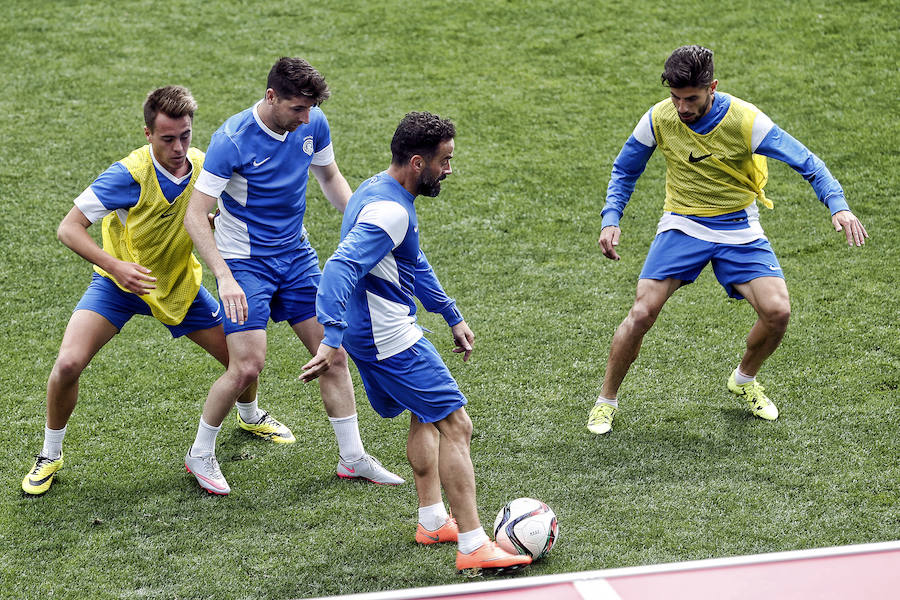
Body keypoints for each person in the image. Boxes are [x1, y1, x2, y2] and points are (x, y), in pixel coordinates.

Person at [21, 86, 291, 497]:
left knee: (243, 361)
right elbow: (68, 228)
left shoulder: (204, 167)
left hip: (181, 287)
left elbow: (224, 212)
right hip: (118, 286)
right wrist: (115, 266)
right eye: (167, 138)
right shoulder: (128, 174)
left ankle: (250, 416)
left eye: (185, 135)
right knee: (68, 364)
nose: (179, 147)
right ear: (148, 134)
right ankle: (49, 453)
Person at [586, 45, 869, 435]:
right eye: (676, 97)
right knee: (641, 314)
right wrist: (611, 218)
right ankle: (606, 401)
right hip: (683, 223)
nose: (682, 108)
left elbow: (808, 161)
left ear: (712, 88)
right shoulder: (658, 118)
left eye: (691, 99)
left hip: (739, 227)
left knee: (778, 313)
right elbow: (625, 169)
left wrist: (839, 206)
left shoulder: (746, 121)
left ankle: (744, 379)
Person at [301, 112, 531, 575]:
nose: (449, 169)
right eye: (444, 161)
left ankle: (432, 520)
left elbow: (414, 262)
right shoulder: (389, 212)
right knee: (456, 425)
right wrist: (329, 337)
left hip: (377, 333)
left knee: (425, 416)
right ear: (416, 161)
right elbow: (340, 268)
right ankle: (472, 542)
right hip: (390, 338)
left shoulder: (377, 190)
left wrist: (450, 314)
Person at [184, 57, 403, 494]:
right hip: (245, 263)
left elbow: (330, 178)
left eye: (309, 110)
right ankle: (199, 454)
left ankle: (352, 458)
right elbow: (195, 214)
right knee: (247, 367)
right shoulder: (232, 139)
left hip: (297, 257)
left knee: (333, 353)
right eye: (296, 110)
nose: (305, 119)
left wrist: (368, 228)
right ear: (271, 97)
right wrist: (224, 277)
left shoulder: (313, 122)